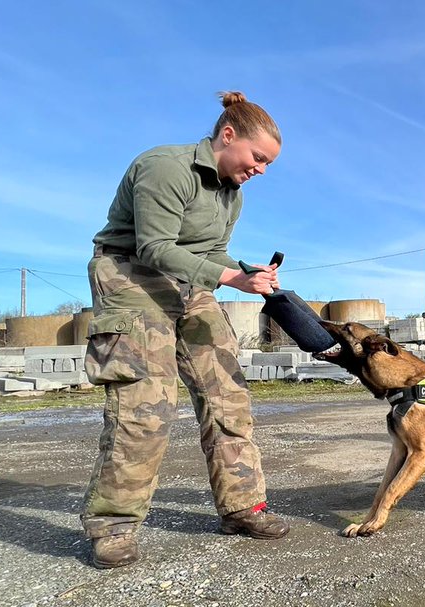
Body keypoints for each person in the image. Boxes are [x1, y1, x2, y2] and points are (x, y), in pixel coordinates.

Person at [81, 91, 290, 569]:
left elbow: (211, 256)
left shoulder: (231, 195)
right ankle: (113, 525)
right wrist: (231, 278)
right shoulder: (165, 167)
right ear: (228, 135)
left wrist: (246, 271)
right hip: (131, 275)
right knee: (146, 405)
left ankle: (242, 507)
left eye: (268, 164)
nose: (260, 169)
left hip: (188, 283)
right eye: (257, 157)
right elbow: (155, 247)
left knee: (227, 394)